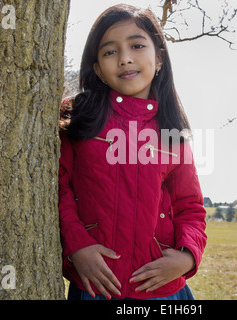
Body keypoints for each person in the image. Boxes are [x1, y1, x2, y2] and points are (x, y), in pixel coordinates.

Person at [58, 4, 207, 300]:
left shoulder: (172, 134)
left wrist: (188, 256)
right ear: (98, 68)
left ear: (159, 58)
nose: (125, 58)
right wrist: (77, 246)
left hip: (161, 289)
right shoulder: (78, 120)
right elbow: (58, 187)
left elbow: (190, 207)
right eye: (110, 51)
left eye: (137, 45)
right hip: (97, 284)